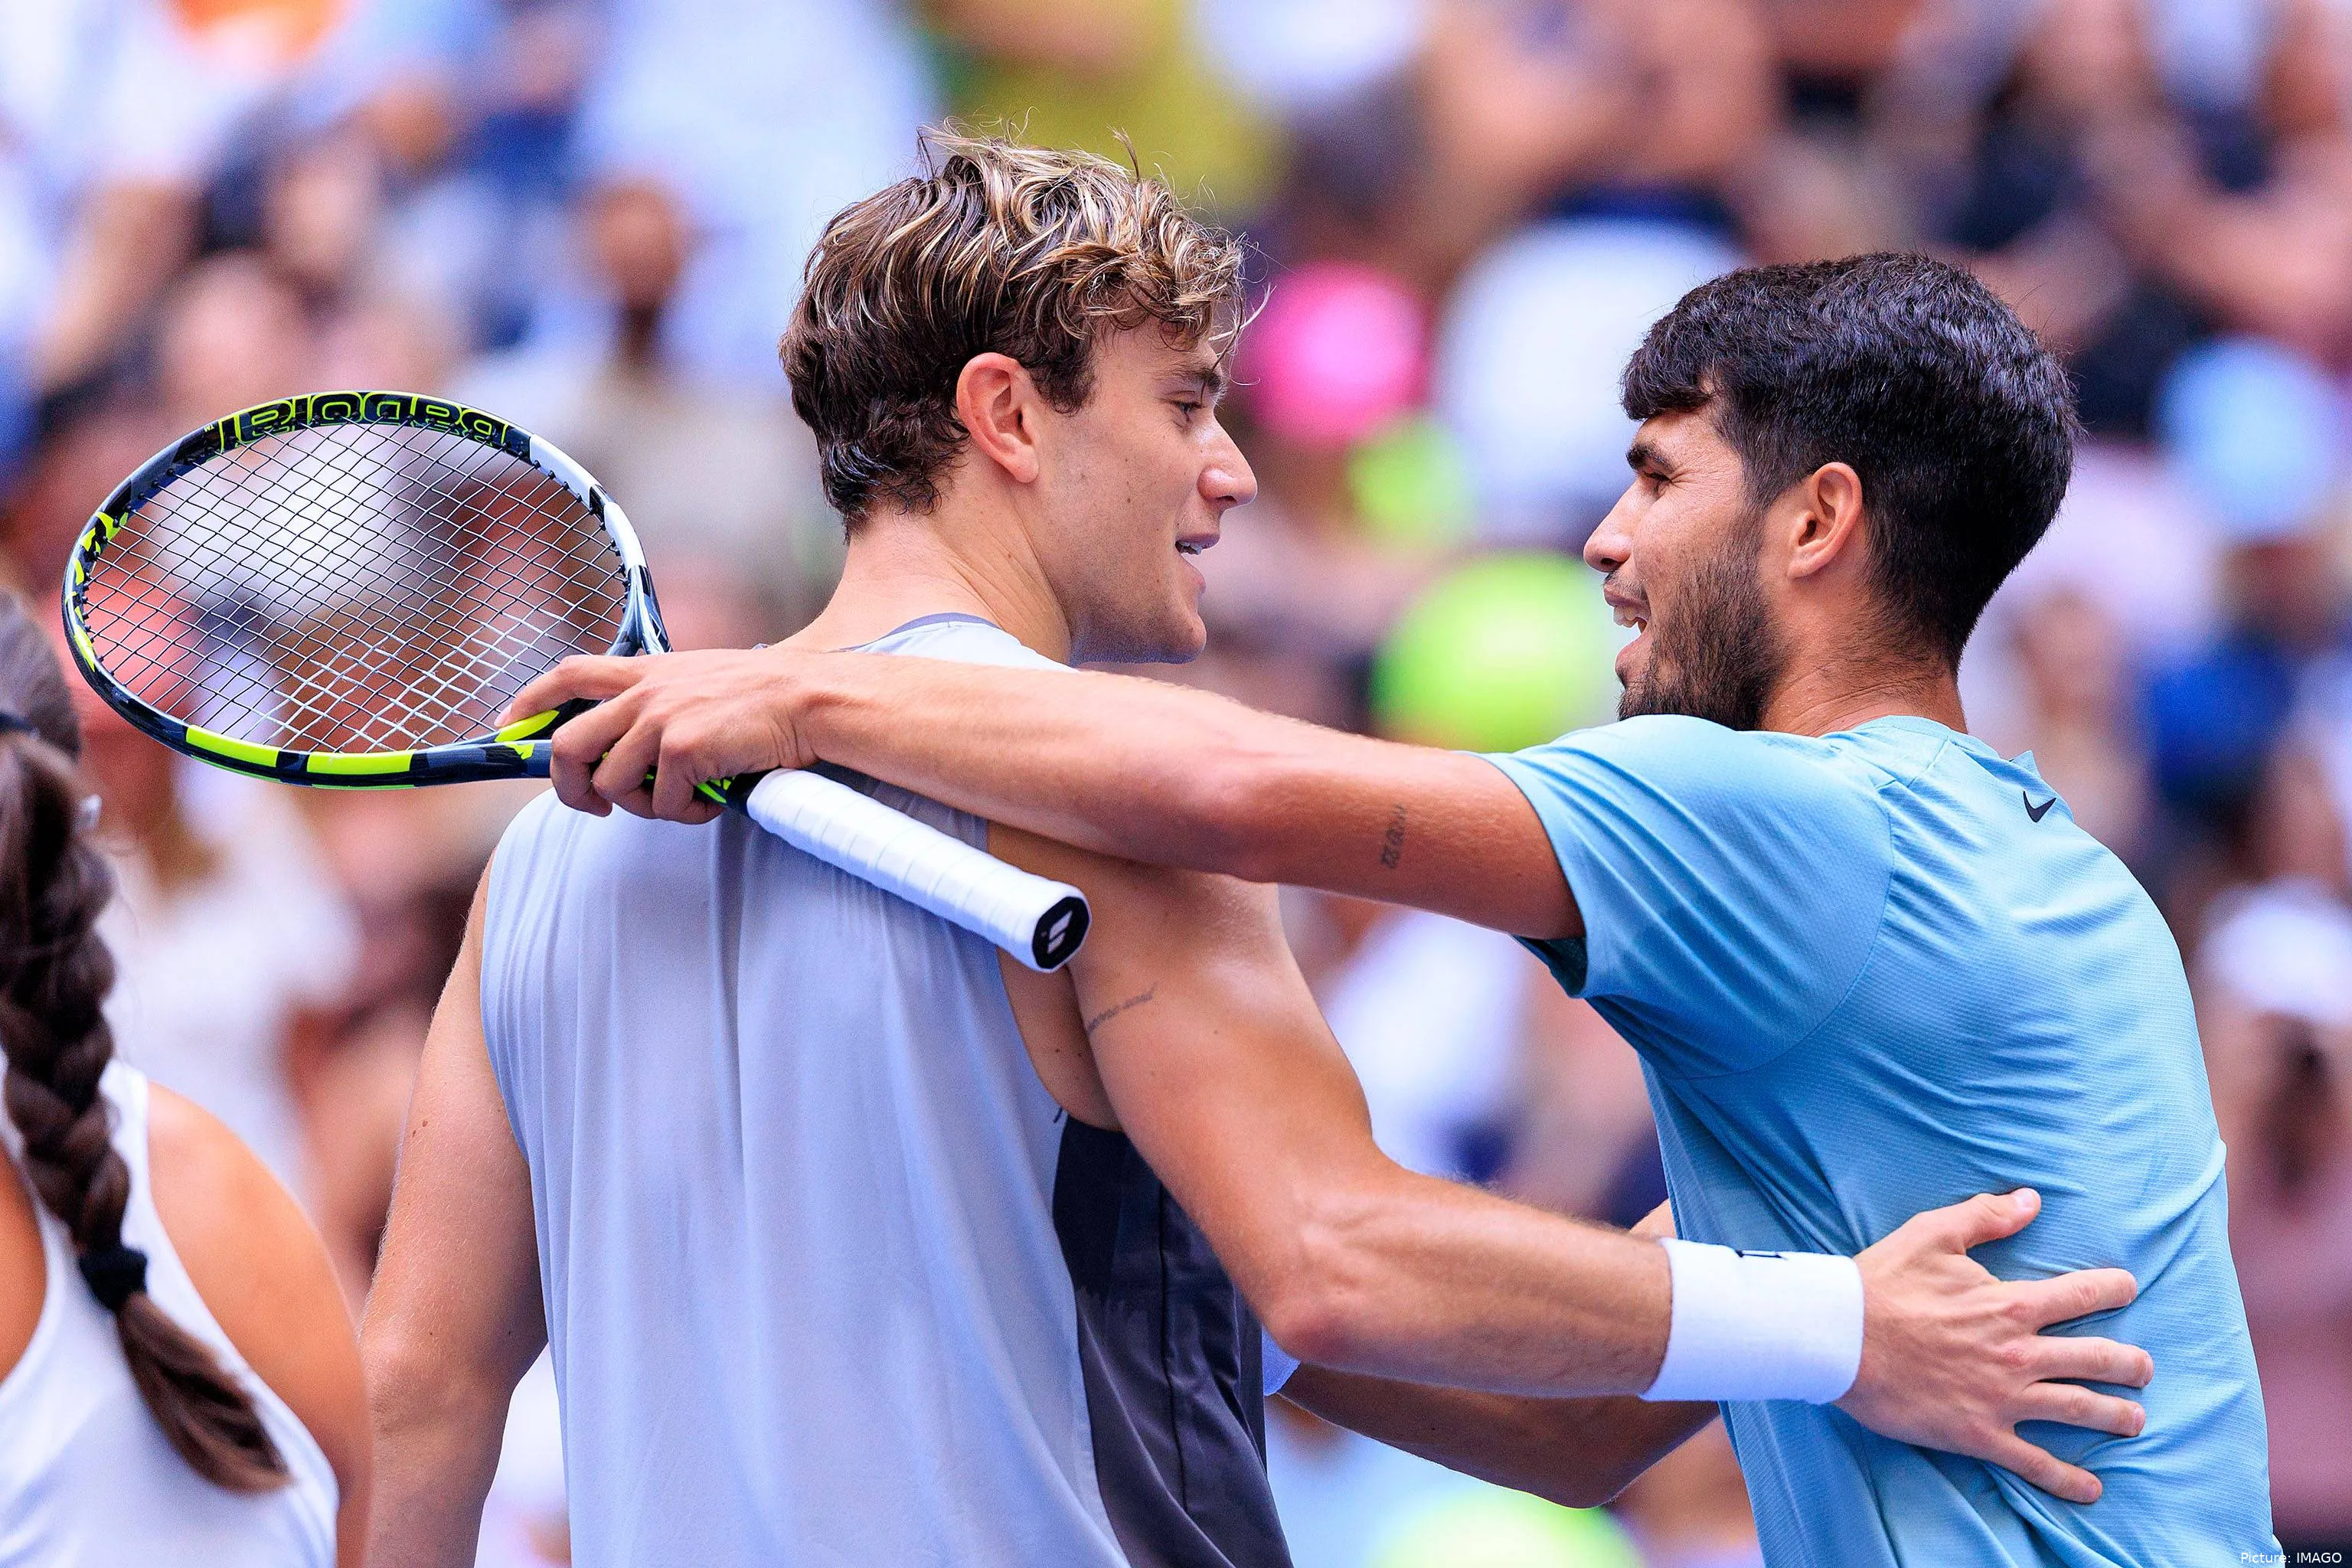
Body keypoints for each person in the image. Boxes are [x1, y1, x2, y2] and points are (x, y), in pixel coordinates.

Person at [386, 141, 2148, 1566]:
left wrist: (1808, 1155)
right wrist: (1837, 1322)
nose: (1227, 474)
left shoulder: (546, 863)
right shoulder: (1112, 816)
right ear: (1007, 417)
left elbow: (422, 1391)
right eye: (1183, 404)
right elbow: (1332, 1255)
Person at [0, 590, 368, 1566]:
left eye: (145, 722)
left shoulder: (253, 852)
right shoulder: (217, 1178)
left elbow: (312, 1079)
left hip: (235, 1249)